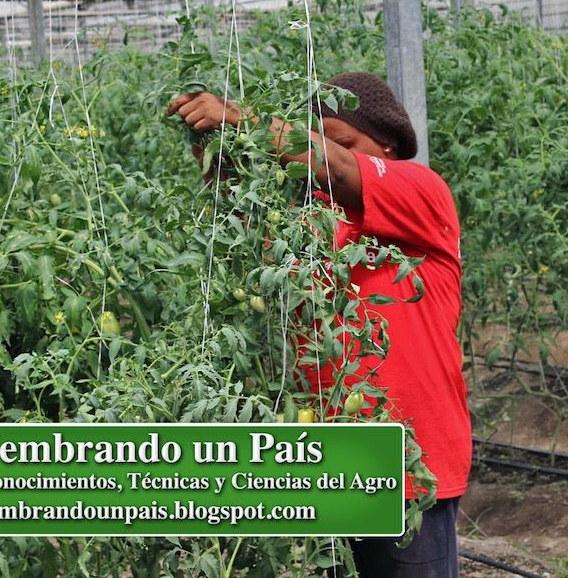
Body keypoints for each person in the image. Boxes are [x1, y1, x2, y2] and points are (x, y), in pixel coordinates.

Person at [168, 71, 471, 578]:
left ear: (388, 147)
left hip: (411, 463)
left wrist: (246, 123)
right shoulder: (305, 220)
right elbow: (242, 229)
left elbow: (334, 167)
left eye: (341, 140)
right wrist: (220, 155)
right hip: (327, 459)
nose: (318, 152)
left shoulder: (422, 191)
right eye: (314, 136)